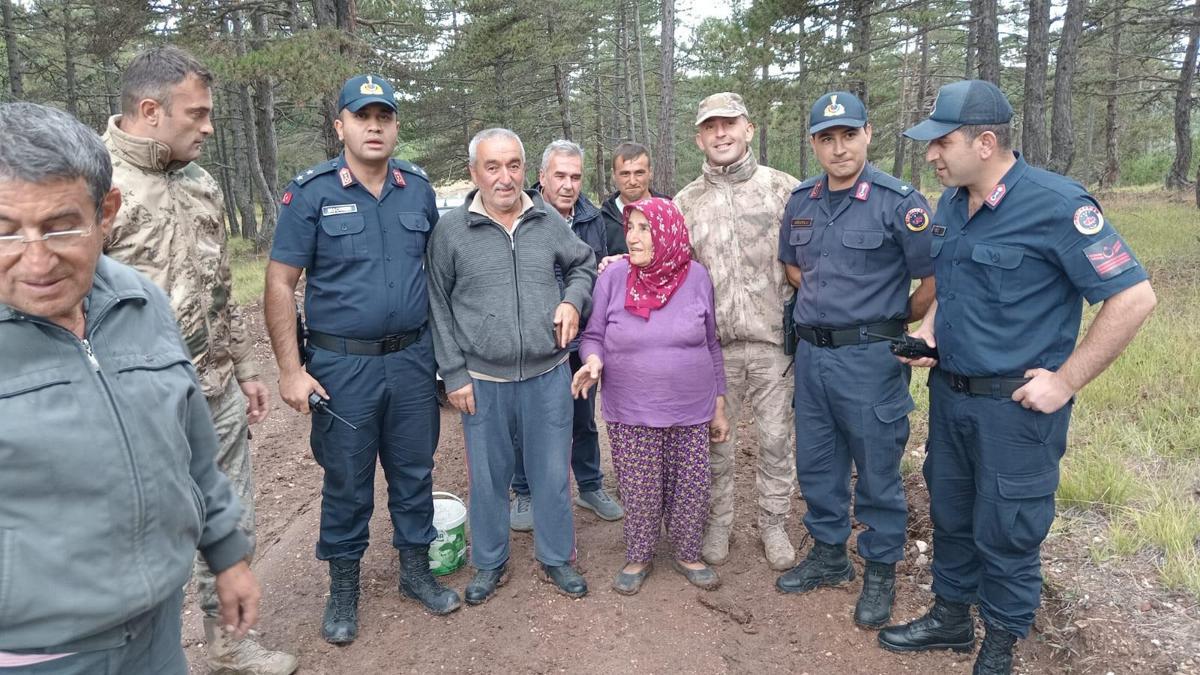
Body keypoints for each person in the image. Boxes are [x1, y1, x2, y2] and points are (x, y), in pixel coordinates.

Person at [878, 80, 1156, 674]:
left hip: (1017, 411)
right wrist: (929, 330)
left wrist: (1067, 380)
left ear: (984, 142)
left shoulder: (1057, 205)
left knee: (1008, 528)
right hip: (951, 398)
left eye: (941, 142)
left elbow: (1133, 297)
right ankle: (951, 617)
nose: (931, 154)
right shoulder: (953, 204)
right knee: (951, 514)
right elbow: (952, 289)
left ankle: (1000, 642)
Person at [0, 101, 259, 674]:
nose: (35, 259)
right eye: (5, 231)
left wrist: (228, 555)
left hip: (157, 637)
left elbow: (193, 453)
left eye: (60, 224)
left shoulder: (141, 302)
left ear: (106, 212)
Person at [99, 46, 297, 674]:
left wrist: (243, 366)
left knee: (230, 516)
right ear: (151, 110)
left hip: (212, 388)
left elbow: (217, 285)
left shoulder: (201, 183)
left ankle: (230, 646)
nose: (209, 127)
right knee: (140, 532)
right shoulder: (93, 184)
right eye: (199, 113)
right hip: (128, 403)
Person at [264, 74, 460, 645]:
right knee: (347, 479)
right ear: (341, 126)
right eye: (362, 116)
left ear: (396, 125)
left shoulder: (417, 190)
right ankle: (344, 586)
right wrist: (289, 370)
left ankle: (415, 573)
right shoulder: (313, 193)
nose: (374, 126)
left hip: (410, 361)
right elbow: (280, 283)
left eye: (384, 116)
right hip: (342, 367)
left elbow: (442, 277)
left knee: (414, 470)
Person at [773, 92, 935, 630]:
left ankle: (881, 569)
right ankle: (829, 553)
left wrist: (889, 320)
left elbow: (932, 279)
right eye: (826, 138)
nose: (838, 148)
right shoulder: (801, 201)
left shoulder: (899, 202)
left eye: (848, 135)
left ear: (868, 134)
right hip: (814, 357)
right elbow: (794, 268)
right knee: (817, 462)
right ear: (814, 144)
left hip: (871, 358)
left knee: (876, 468)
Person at [427, 128, 597, 605]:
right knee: (488, 479)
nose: (505, 178)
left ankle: (557, 557)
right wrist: (453, 374)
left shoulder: (547, 221)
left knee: (550, 473)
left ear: (525, 169)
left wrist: (571, 301)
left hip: (548, 374)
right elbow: (437, 304)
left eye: (514, 166)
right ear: (474, 172)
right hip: (482, 380)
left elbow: (584, 265)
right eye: (493, 167)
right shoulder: (452, 231)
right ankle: (489, 562)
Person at [574, 197, 729, 595]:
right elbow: (592, 336)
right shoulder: (613, 277)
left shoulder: (696, 277)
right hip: (632, 407)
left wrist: (719, 405)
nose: (634, 237)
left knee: (690, 487)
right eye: (631, 228)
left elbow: (712, 344)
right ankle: (639, 555)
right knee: (640, 488)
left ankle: (687, 553)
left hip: (690, 407)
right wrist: (593, 362)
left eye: (645, 228)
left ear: (668, 233)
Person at [673, 92, 801, 570]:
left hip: (773, 346)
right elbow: (669, 272)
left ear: (749, 129)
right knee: (716, 446)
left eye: (730, 124)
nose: (721, 134)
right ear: (699, 138)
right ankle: (718, 524)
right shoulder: (685, 202)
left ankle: (773, 525)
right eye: (710, 127)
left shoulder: (784, 190)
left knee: (775, 441)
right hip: (715, 353)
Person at [507, 140, 625, 531]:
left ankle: (589, 486)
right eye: (559, 175)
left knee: (583, 417)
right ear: (541, 177)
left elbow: (595, 273)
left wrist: (607, 269)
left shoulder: (592, 217)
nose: (568, 184)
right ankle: (524, 491)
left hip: (582, 336)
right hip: (535, 338)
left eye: (575, 176)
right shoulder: (521, 214)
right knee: (529, 420)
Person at [599, 142, 668, 254]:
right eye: (625, 174)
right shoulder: (601, 220)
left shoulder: (669, 212)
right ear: (613, 175)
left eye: (639, 173)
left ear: (650, 172)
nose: (632, 181)